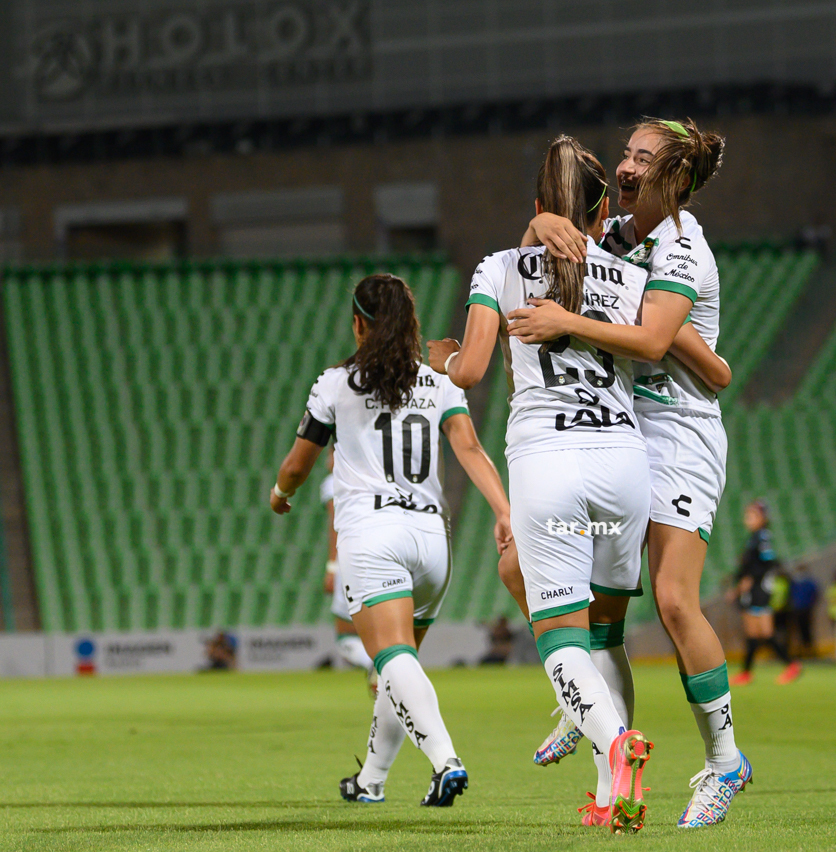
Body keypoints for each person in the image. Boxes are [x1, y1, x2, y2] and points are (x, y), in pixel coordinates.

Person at [508, 118, 753, 829]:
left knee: (675, 601)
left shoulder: (681, 248)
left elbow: (653, 340)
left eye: (642, 158)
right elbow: (551, 242)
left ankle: (724, 758)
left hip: (678, 433)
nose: (624, 165)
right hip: (619, 428)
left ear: (673, 178)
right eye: (625, 152)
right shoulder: (619, 235)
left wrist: (569, 321)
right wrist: (549, 220)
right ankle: (597, 720)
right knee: (578, 596)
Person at [428, 135, 655, 833]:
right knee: (606, 633)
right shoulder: (630, 276)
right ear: (598, 214)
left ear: (536, 208)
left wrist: (430, 353)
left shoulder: (499, 267)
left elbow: (466, 372)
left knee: (559, 634)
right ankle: (606, 789)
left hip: (548, 460)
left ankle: (616, 744)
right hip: (624, 462)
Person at [269, 273, 512, 807]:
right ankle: (371, 781)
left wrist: (280, 494)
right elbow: (470, 450)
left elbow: (298, 464)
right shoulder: (439, 383)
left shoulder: (335, 384)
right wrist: (502, 509)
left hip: (373, 536)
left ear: (358, 324)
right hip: (431, 541)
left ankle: (446, 759)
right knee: (399, 670)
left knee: (393, 660)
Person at [731, 500, 802, 686]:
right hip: (756, 588)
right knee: (754, 634)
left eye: (752, 515)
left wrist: (748, 580)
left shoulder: (761, 537)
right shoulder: (755, 537)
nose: (747, 519)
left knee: (763, 632)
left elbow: (769, 562)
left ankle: (791, 664)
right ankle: (746, 672)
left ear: (763, 518)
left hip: (758, 590)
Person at [320, 449, 374, 674]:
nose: (327, 459)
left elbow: (336, 525)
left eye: (331, 453)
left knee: (346, 638)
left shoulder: (334, 482)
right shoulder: (371, 478)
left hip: (350, 558)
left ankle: (377, 667)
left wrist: (332, 567)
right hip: (380, 554)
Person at [788, 563, 820, 658]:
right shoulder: (794, 583)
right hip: (796, 610)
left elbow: (815, 595)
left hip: (806, 609)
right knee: (796, 631)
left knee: (807, 630)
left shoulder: (809, 583)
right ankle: (798, 651)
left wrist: (811, 605)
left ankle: (808, 650)